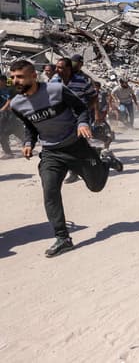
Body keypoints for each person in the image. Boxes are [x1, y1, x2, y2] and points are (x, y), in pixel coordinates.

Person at [9, 59, 123, 257]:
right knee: (50, 191)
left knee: (96, 186)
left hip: (76, 147)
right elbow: (30, 127)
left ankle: (105, 160)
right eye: (12, 77)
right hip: (51, 153)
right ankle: (63, 238)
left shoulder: (56, 90)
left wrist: (82, 124)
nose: (15, 81)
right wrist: (28, 143)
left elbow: (81, 108)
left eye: (20, 77)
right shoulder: (16, 104)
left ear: (33, 76)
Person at [1, 74, 24, 158]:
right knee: (5, 132)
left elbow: (10, 100)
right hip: (4, 115)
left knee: (15, 130)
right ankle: (8, 152)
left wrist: (3, 109)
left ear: (3, 81)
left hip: (11, 114)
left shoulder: (10, 89)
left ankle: (8, 153)